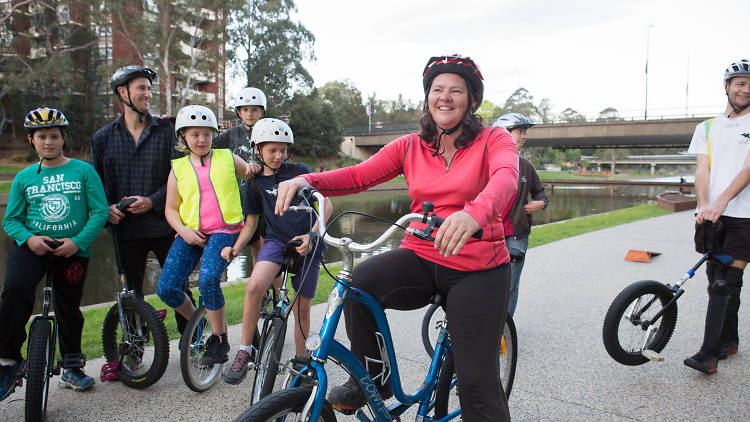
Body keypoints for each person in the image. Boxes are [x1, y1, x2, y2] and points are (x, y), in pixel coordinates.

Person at [276, 55, 518, 421]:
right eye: (438, 89)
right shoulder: (411, 145)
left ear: (471, 100)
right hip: (421, 255)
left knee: (477, 385)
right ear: (428, 97)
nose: (445, 97)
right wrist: (308, 181)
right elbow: (359, 175)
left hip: (478, 268)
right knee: (357, 286)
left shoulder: (494, 140)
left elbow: (506, 179)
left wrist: (475, 212)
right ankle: (374, 378)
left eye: (456, 90)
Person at [0, 108, 108, 399]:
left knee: (69, 305)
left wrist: (78, 242)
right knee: (15, 289)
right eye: (41, 137)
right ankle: (8, 360)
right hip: (34, 246)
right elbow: (10, 220)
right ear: (31, 140)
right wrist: (29, 239)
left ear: (64, 138)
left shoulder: (84, 171)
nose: (48, 142)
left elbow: (99, 212)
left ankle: (72, 365)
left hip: (73, 248)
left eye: (54, 136)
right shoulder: (24, 178)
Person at [222, 118, 332, 384]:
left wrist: (313, 235)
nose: (279, 155)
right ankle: (245, 351)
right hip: (275, 242)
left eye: (283, 150)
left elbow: (326, 205)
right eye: (272, 150)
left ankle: (303, 363)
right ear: (257, 149)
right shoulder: (254, 183)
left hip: (307, 243)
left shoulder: (300, 171)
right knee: (254, 286)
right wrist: (236, 248)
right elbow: (250, 224)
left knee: (301, 307)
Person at [90, 65, 193, 333]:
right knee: (131, 293)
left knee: (178, 285)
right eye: (141, 88)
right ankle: (134, 348)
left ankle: (192, 342)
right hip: (125, 230)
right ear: (122, 92)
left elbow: (183, 175)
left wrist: (153, 200)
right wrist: (106, 208)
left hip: (165, 225)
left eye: (149, 88)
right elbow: (94, 185)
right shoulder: (102, 138)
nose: (148, 94)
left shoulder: (168, 131)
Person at [156, 105, 259, 365]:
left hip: (225, 230)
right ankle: (197, 323)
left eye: (206, 134)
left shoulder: (226, 157)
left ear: (214, 135)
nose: (201, 140)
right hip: (191, 233)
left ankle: (219, 337)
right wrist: (183, 231)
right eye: (194, 135)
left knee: (208, 279)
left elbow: (249, 171)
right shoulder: (178, 168)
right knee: (166, 287)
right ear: (183, 137)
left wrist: (258, 168)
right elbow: (169, 209)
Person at [684, 59, 750, 374]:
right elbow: (703, 168)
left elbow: (748, 168)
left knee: (725, 282)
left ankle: (708, 355)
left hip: (744, 216)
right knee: (716, 281)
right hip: (711, 215)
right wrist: (704, 204)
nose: (745, 88)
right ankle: (730, 339)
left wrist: (721, 201)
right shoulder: (707, 127)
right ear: (726, 86)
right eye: (740, 82)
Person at [492, 113, 548, 317]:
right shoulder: (486, 163)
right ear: (503, 134)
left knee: (510, 286)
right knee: (483, 284)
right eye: (519, 131)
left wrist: (541, 203)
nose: (523, 136)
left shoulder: (526, 166)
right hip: (488, 235)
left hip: (517, 236)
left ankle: (504, 331)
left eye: (525, 132)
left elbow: (540, 192)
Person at [214, 87, 268, 270]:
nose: (250, 114)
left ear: (262, 111)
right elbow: (209, 149)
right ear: (239, 111)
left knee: (263, 245)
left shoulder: (268, 131)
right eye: (245, 109)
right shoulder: (231, 134)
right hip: (240, 196)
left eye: (254, 109)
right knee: (247, 240)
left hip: (264, 194)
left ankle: (266, 287)